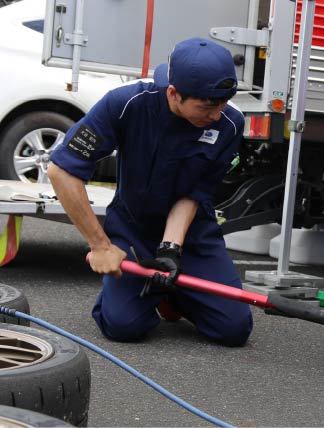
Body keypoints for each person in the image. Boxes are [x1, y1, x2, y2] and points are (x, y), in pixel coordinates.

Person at [47, 37, 253, 346]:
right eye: (208, 105)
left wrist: (170, 250)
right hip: (134, 229)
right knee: (123, 327)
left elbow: (194, 192)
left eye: (224, 102)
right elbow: (61, 171)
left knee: (233, 329)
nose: (217, 113)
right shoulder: (125, 104)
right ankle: (147, 295)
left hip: (194, 232)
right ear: (174, 93)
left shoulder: (229, 123)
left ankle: (174, 295)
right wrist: (100, 246)